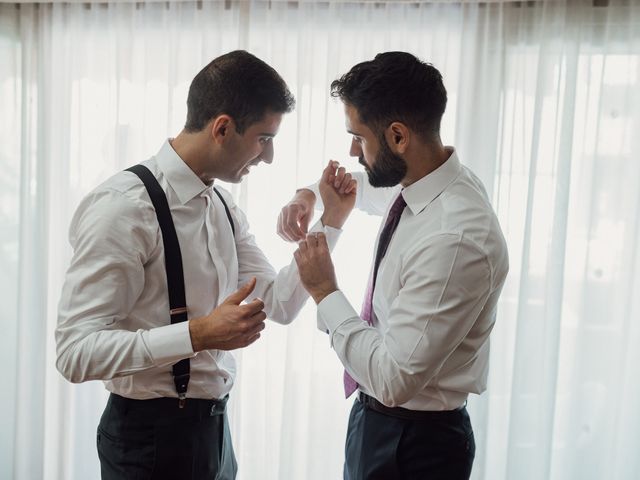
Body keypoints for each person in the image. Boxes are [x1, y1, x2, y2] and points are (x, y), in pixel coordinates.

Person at [55, 50, 354, 479]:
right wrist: (197, 334)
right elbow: (74, 353)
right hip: (147, 441)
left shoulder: (223, 207)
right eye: (264, 139)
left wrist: (332, 222)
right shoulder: (123, 208)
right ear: (222, 128)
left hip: (214, 433)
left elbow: (280, 304)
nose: (268, 157)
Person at [278, 51, 509, 479]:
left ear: (399, 136)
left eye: (359, 137)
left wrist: (325, 292)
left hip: (415, 445)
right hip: (380, 423)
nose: (352, 151)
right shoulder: (428, 181)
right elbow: (366, 185)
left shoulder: (455, 239)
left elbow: (393, 379)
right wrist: (309, 193)